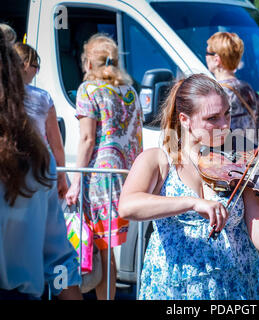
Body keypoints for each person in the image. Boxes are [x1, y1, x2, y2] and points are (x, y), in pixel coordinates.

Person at [118, 73, 259, 300]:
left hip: (233, 288)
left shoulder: (241, 164)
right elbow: (128, 206)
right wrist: (193, 203)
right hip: (175, 288)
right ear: (184, 119)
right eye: (212, 118)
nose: (224, 125)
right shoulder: (158, 160)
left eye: (227, 114)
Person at [0, 29, 82, 300]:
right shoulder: (38, 159)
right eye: (32, 65)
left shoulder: (38, 159)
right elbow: (57, 257)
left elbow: (57, 257)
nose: (35, 69)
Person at [65, 33, 143, 300]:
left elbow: (87, 139)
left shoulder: (89, 90)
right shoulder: (130, 91)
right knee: (107, 247)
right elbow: (136, 136)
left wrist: (76, 180)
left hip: (99, 177)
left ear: (88, 63)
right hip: (125, 175)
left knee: (102, 247)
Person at [14, 42, 68, 199]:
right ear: (24, 65)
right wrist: (62, 178)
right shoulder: (43, 98)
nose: (37, 72)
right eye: (35, 66)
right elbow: (56, 145)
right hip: (36, 166)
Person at [206, 31, 259, 147]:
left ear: (216, 59)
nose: (206, 56)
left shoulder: (215, 94)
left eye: (207, 53)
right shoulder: (249, 90)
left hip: (228, 160)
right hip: (250, 158)